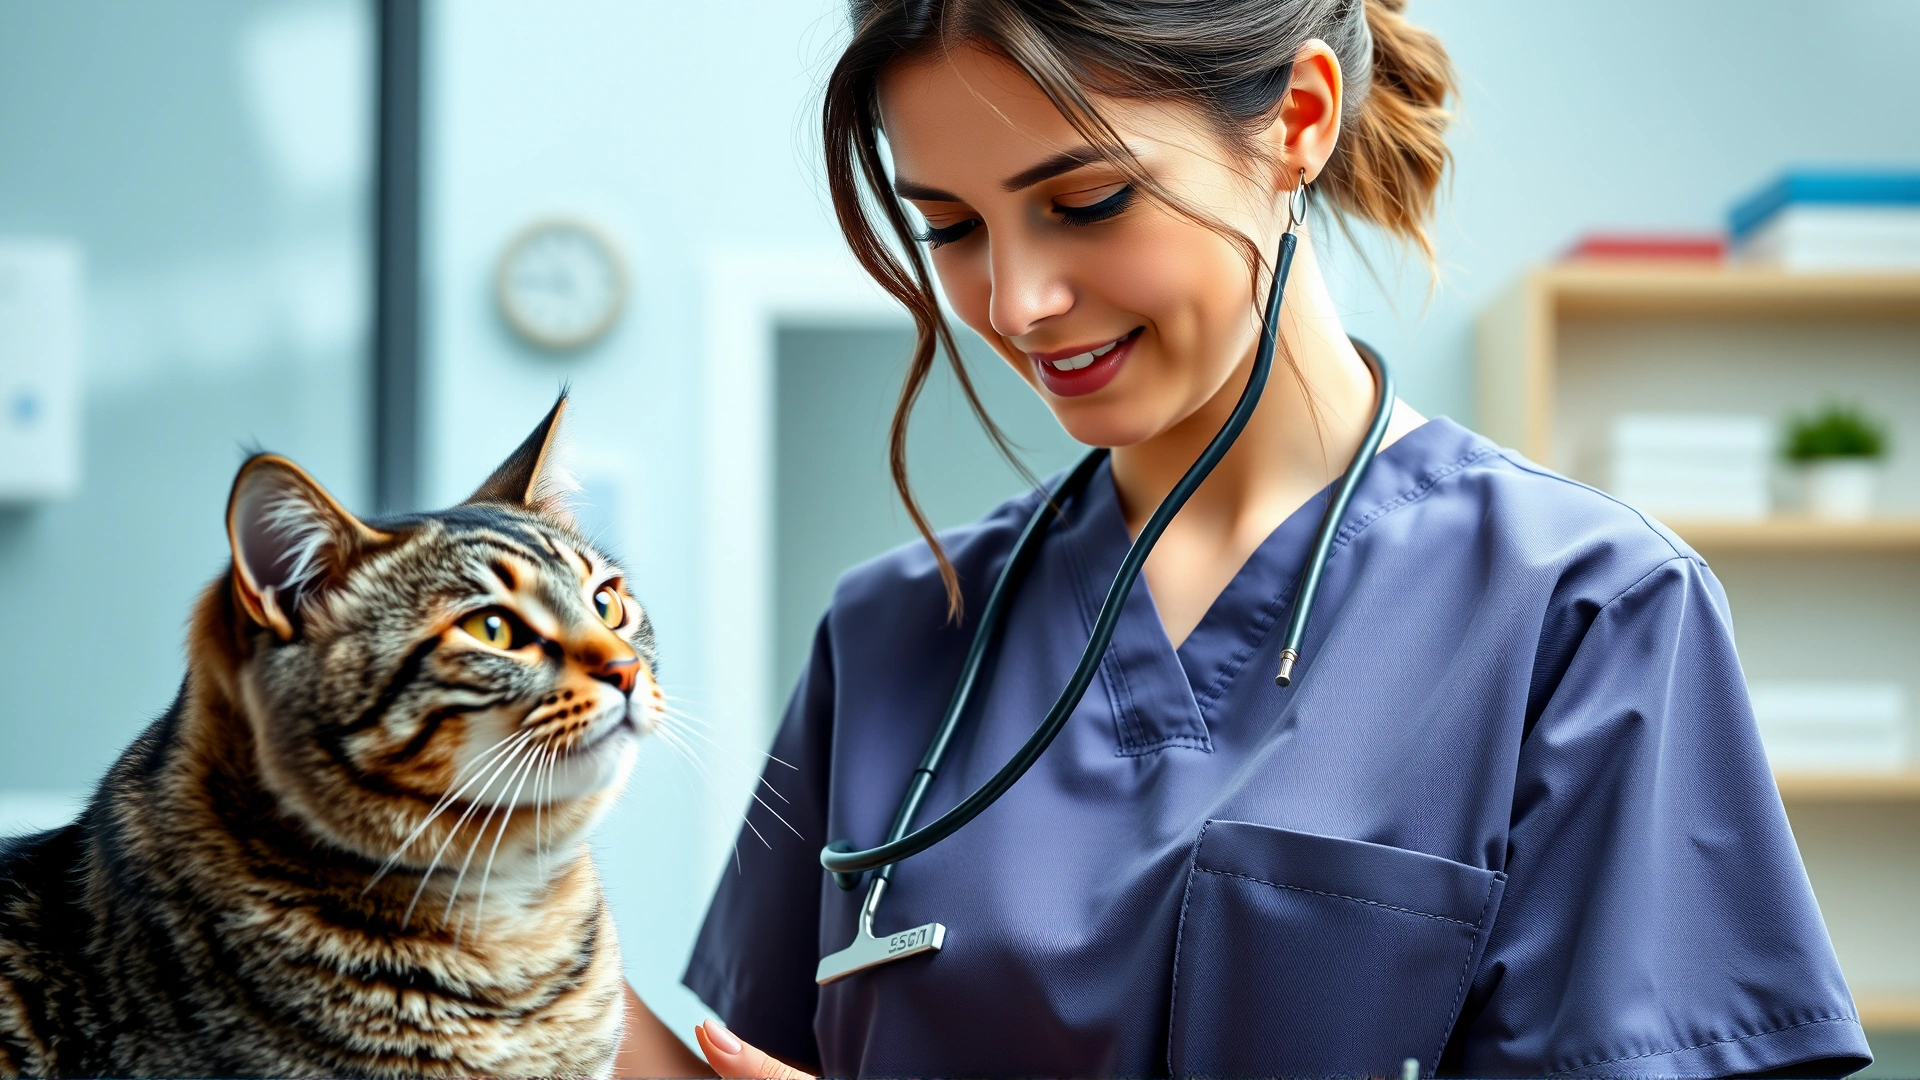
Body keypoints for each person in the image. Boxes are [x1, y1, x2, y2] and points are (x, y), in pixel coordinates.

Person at [617, 0, 1873, 1076]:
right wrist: (472, 930)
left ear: (1301, 119)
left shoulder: (1583, 610)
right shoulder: (893, 632)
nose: (1016, 301)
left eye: (1086, 198)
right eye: (951, 227)